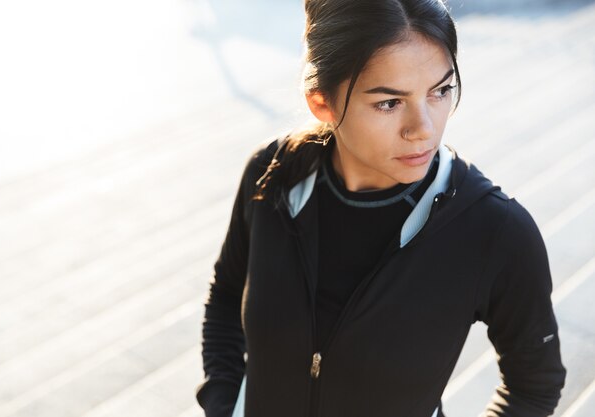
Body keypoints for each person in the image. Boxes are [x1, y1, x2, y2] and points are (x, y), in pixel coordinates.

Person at [195, 0, 567, 416]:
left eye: (440, 91)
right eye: (389, 103)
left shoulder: (495, 230)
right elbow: (226, 297)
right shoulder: (272, 175)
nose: (423, 129)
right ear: (322, 102)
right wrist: (223, 406)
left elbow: (534, 386)